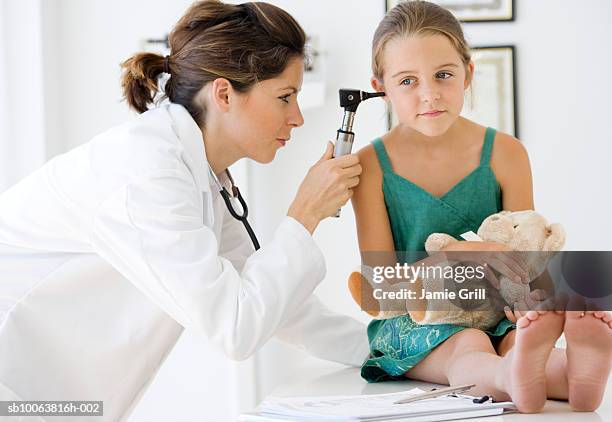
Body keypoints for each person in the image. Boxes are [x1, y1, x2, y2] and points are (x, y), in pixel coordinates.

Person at [0, 1, 369, 419]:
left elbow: (278, 305)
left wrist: (386, 352)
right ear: (224, 93)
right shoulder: (146, 175)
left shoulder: (199, 174)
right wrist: (305, 212)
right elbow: (234, 328)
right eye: (285, 97)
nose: (298, 117)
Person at [350, 0, 612, 414]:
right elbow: (378, 288)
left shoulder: (506, 153)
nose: (429, 93)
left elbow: (527, 264)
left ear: (468, 73)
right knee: (467, 344)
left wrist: (536, 304)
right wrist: (455, 254)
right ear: (381, 87)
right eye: (407, 81)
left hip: (495, 312)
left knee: (519, 338)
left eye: (443, 75)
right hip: (418, 320)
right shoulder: (370, 166)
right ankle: (511, 376)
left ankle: (578, 372)